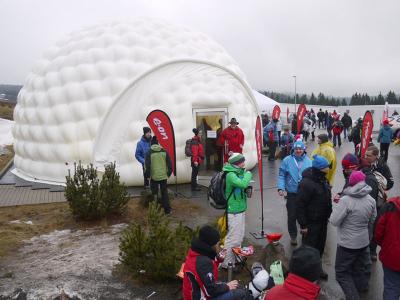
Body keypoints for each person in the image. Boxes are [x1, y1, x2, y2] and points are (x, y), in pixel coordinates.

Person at [330, 171, 377, 299]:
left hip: (347, 244)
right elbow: (373, 219)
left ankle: (353, 297)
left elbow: (334, 221)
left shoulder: (345, 200)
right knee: (358, 269)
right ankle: (361, 290)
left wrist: (337, 206)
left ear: (351, 183)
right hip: (363, 242)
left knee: (341, 273)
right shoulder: (371, 200)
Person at [182, 225, 247, 300]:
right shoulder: (202, 263)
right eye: (218, 243)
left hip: (196, 293)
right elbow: (210, 291)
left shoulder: (198, 252)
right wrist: (227, 286)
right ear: (211, 244)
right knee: (241, 293)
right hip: (201, 297)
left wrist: (218, 260)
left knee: (237, 286)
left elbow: (205, 273)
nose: (219, 246)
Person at [296, 155, 332, 279]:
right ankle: (304, 274)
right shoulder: (306, 183)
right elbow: (299, 205)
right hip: (311, 224)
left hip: (322, 221)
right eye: (327, 167)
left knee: (319, 248)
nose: (329, 168)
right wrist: (303, 225)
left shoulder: (323, 180)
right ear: (320, 169)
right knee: (308, 250)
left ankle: (317, 269)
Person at [221, 153, 253, 269]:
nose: (244, 162)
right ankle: (226, 263)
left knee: (239, 236)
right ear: (236, 163)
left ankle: (236, 258)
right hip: (233, 210)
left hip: (240, 209)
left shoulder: (238, 172)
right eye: (242, 161)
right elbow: (243, 183)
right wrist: (248, 174)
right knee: (232, 237)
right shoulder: (230, 174)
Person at [277, 140, 312, 246]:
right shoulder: (287, 160)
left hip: (305, 194)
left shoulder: (309, 161)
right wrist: (280, 187)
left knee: (304, 216)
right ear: (293, 149)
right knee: (292, 216)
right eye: (296, 149)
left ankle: (304, 234)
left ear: (303, 150)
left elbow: (312, 177)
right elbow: (282, 175)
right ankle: (293, 236)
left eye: (300, 149)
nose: (298, 151)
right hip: (292, 193)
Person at [374, 197, 400, 300]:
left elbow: (378, 231)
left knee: (391, 288)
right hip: (391, 255)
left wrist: (385, 245)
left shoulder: (390, 205)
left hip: (392, 256)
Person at [144, 136, 172, 215]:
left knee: (154, 193)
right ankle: (167, 210)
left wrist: (148, 176)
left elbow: (147, 166)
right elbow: (170, 164)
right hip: (163, 176)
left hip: (154, 177)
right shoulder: (164, 151)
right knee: (164, 193)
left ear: (151, 144)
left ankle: (155, 211)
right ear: (158, 143)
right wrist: (168, 174)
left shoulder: (149, 152)